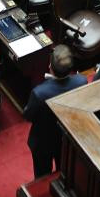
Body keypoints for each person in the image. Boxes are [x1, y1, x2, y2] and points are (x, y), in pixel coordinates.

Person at [25, 45, 87, 177]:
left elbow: (28, 115)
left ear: (50, 67)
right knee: (63, 171)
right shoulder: (81, 82)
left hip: (43, 141)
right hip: (66, 138)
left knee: (42, 175)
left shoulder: (39, 93)